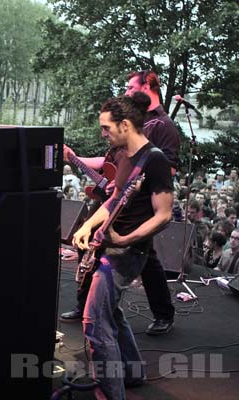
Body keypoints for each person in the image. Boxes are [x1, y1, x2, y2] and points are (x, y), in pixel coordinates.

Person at [62, 70, 179, 336]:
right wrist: (74, 158)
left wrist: (138, 180)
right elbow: (109, 166)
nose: (125, 92)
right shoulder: (123, 137)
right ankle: (86, 303)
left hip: (138, 209)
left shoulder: (161, 127)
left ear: (147, 87)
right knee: (91, 245)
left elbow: (166, 170)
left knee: (144, 259)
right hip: (115, 202)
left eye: (129, 87)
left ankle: (163, 313)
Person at [73, 92, 173, 399]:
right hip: (109, 244)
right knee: (110, 312)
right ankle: (132, 372)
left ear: (125, 124)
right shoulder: (120, 154)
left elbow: (164, 215)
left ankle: (110, 395)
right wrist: (89, 226)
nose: (103, 133)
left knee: (94, 322)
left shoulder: (154, 160)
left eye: (106, 127)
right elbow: (115, 198)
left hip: (129, 252)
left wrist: (125, 239)